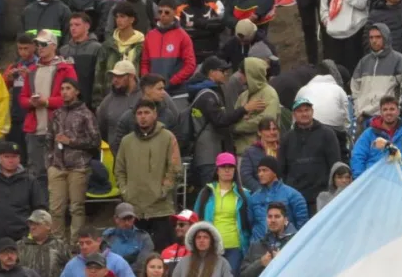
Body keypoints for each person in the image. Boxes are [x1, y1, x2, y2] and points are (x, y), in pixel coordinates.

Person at [114, 99, 182, 251]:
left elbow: (175, 167)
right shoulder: (126, 141)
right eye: (139, 113)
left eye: (146, 112)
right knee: (136, 254)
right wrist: (125, 191)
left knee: (163, 252)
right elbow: (119, 170)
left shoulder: (167, 137)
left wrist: (163, 190)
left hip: (160, 208)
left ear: (155, 114)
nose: (143, 117)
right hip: (135, 209)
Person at [184, 57, 259, 188]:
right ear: (211, 72)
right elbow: (220, 120)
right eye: (222, 70)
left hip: (210, 153)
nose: (226, 73)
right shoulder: (207, 95)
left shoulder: (210, 91)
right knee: (211, 192)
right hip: (208, 156)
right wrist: (244, 109)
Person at [19, 30, 77, 183]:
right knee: (35, 175)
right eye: (37, 44)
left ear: (54, 46)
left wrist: (46, 102)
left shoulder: (66, 68)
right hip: (35, 131)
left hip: (59, 129)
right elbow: (22, 98)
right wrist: (31, 102)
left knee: (59, 174)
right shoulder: (32, 70)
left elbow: (71, 98)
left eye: (43, 44)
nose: (40, 47)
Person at [46, 78, 98, 242]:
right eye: (62, 89)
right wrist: (49, 163)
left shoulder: (86, 114)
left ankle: (77, 244)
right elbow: (48, 139)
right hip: (57, 167)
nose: (64, 92)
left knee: (76, 208)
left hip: (78, 167)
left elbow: (95, 141)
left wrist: (71, 141)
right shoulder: (56, 114)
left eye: (68, 88)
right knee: (55, 209)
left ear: (77, 91)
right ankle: (57, 244)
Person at [0, 142, 47, 274]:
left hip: (21, 239)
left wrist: (33, 232)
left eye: (14, 157)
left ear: (19, 159)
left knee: (22, 276)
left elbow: (40, 209)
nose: (10, 160)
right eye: (7, 156)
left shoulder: (30, 181)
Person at [193, 153, 252, 275]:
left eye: (230, 167)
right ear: (217, 170)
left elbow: (251, 221)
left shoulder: (244, 194)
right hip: (211, 247)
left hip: (235, 246)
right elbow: (195, 219)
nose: (227, 170)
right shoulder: (206, 193)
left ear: (235, 170)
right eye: (223, 166)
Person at [280, 96, 341, 213]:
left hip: (321, 196)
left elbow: (335, 165)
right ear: (294, 115)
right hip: (295, 197)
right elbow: (282, 169)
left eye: (307, 110)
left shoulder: (327, 134)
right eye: (300, 111)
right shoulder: (287, 138)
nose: (304, 114)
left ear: (312, 111)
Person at [350, 24, 402, 124]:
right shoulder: (363, 62)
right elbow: (354, 89)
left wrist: (398, 112)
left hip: (388, 119)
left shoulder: (399, 60)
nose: (374, 41)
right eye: (371, 37)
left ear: (386, 38)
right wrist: (358, 112)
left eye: (378, 37)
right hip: (364, 118)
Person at [92, 4, 144, 106]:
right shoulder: (108, 45)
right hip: (111, 95)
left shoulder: (141, 44)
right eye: (117, 17)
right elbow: (99, 73)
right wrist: (97, 101)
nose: (119, 20)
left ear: (132, 19)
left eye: (122, 16)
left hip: (134, 95)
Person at [318, 0, 369, 75]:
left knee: (353, 71)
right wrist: (327, 21)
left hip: (354, 33)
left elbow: (361, 3)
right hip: (332, 33)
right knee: (334, 72)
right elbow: (324, 3)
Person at [141, 0, 196, 92]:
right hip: (153, 90)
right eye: (160, 12)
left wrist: (172, 82)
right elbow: (145, 63)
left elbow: (190, 65)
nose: (162, 15)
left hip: (176, 90)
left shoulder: (183, 36)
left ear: (174, 13)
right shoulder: (150, 35)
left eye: (167, 12)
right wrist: (147, 81)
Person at [248, 158, 308, 241]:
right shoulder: (253, 198)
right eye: (259, 171)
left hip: (285, 244)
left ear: (274, 172)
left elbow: (303, 226)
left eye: (265, 170)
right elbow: (250, 224)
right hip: (259, 244)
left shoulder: (293, 195)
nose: (260, 174)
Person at [231, 57, 281, 155]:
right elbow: (233, 118)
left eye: (242, 73)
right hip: (242, 151)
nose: (239, 76)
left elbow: (266, 122)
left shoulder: (269, 94)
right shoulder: (243, 96)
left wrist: (238, 127)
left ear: (251, 74)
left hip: (263, 151)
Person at [176, 0, 226, 64]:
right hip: (188, 55)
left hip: (212, 54)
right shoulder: (178, 7)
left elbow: (221, 26)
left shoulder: (215, 3)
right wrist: (208, 27)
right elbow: (178, 31)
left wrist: (196, 24)